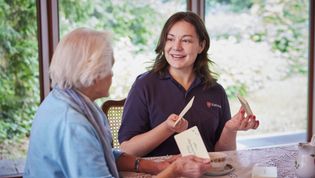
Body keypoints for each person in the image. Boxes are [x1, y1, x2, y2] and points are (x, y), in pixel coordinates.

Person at [23, 28, 211, 178]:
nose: (112, 75)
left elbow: (102, 154)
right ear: (93, 73)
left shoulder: (67, 99)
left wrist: (154, 166)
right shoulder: (72, 124)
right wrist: (173, 171)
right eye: (109, 68)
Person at [118, 11, 260, 157]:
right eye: (170, 39)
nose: (176, 47)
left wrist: (230, 129)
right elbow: (128, 150)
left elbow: (222, 155)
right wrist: (167, 128)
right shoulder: (145, 85)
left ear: (201, 45)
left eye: (186, 40)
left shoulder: (216, 91)